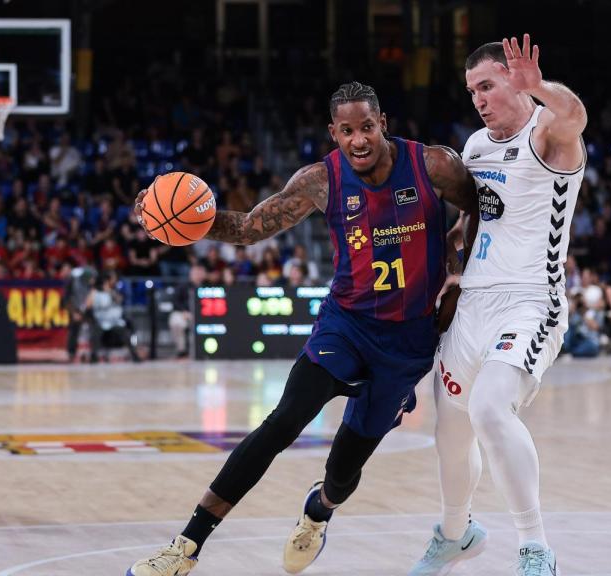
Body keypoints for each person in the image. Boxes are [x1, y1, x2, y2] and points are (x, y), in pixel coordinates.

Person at [127, 81, 479, 576]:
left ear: (384, 125)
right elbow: (250, 229)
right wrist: (183, 223)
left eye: (368, 128)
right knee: (284, 420)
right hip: (346, 325)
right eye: (348, 131)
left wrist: (459, 273)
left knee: (343, 472)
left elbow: (479, 207)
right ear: (334, 133)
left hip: (408, 341)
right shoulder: (321, 181)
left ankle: (318, 512)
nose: (359, 140)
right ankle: (185, 547)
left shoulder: (432, 165)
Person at [409, 35, 587, 576]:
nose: (479, 99)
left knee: (490, 408)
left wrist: (543, 90)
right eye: (472, 91)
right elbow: (475, 220)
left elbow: (575, 114)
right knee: (450, 430)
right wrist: (453, 272)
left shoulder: (550, 134)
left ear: (516, 81)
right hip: (474, 304)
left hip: (530, 301)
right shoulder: (477, 146)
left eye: (487, 85)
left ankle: (536, 546)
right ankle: (455, 533)